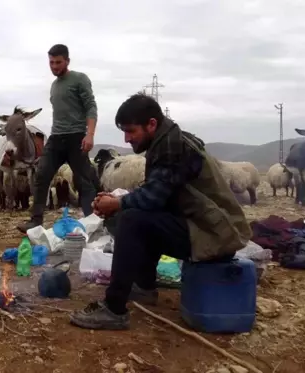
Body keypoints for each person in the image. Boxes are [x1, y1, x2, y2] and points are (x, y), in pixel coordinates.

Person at [69, 93, 252, 330]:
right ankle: (144, 287)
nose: (126, 139)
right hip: (204, 227)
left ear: (152, 124)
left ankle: (114, 309)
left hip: (214, 236)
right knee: (137, 215)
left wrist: (116, 203)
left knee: (132, 219)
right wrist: (118, 200)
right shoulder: (167, 140)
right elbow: (159, 193)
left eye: (131, 131)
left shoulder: (172, 147)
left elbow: (153, 198)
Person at [17, 44, 100, 233]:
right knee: (41, 175)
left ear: (67, 61)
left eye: (58, 62)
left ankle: (91, 223)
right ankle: (35, 220)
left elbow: (91, 107)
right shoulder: (54, 85)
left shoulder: (79, 79)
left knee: (84, 181)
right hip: (56, 138)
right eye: (51, 62)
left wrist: (90, 134)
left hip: (77, 137)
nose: (54, 66)